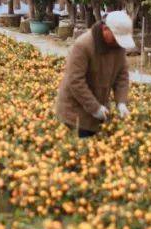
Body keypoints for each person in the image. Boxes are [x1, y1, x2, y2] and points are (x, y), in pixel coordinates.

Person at [55, 10, 135, 138]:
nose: (118, 42)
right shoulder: (83, 45)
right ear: (105, 29)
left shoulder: (117, 47)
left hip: (99, 110)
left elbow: (122, 75)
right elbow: (75, 81)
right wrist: (95, 108)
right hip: (75, 113)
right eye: (116, 37)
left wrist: (121, 102)